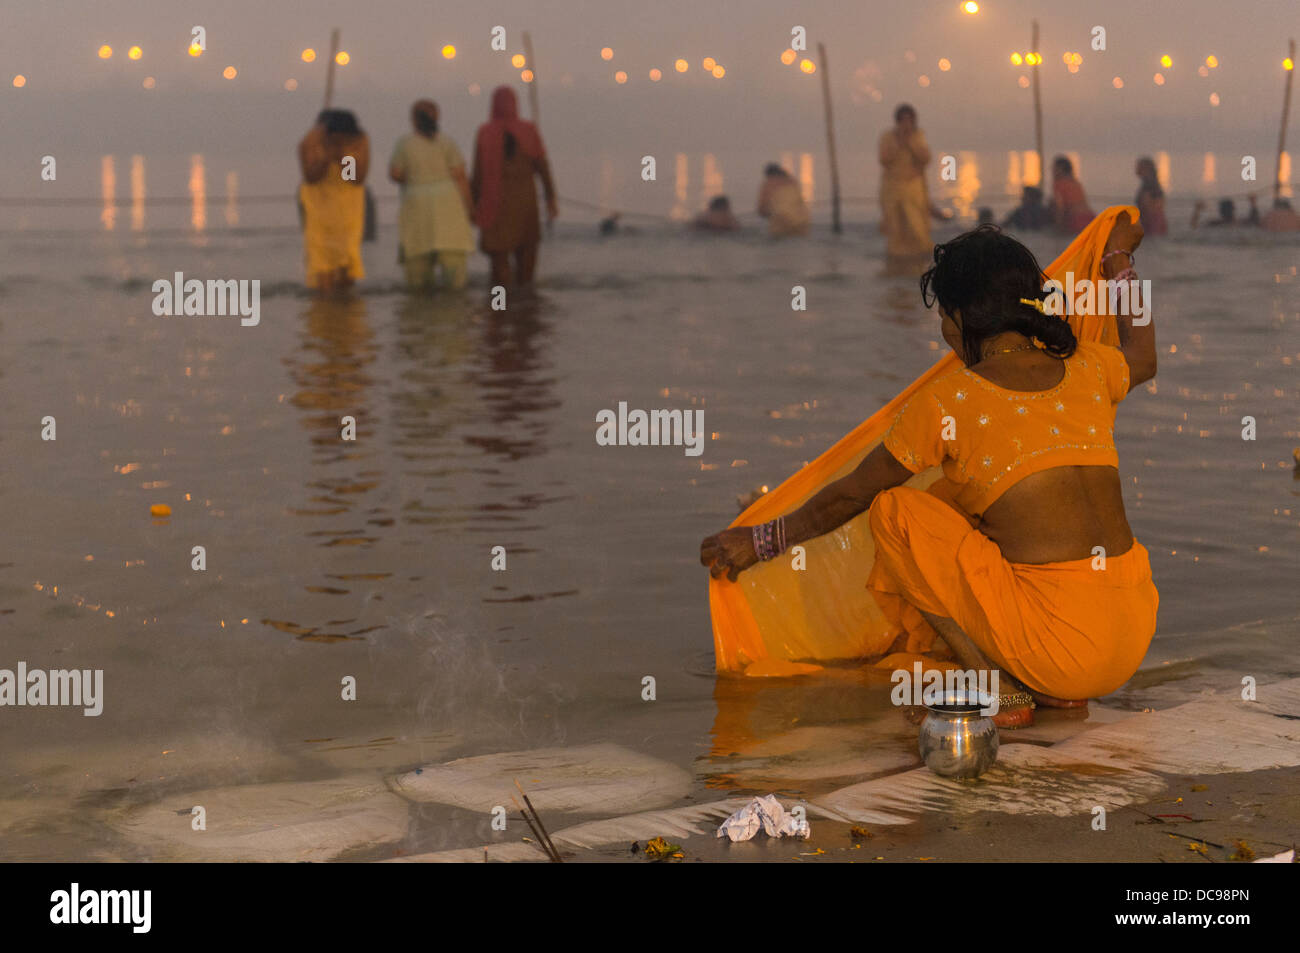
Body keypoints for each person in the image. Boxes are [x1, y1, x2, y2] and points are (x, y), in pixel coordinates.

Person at [701, 217, 1157, 728]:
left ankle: (1000, 688)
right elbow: (1143, 353)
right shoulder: (1090, 367)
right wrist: (1119, 261)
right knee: (953, 494)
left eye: (944, 315)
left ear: (962, 317)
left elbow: (850, 497)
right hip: (1132, 635)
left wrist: (761, 540)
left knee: (897, 510)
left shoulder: (947, 401)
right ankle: (1048, 685)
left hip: (1059, 649)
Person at [470, 86, 557, 289]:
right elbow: (543, 168)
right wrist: (551, 199)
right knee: (526, 273)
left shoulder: (485, 133)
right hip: (525, 207)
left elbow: (478, 175)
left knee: (499, 272)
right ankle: (525, 313)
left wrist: (472, 206)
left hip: (495, 209)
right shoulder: (529, 131)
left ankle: (498, 312)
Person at [389, 100, 475, 291]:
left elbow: (395, 174)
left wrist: (413, 178)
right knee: (455, 280)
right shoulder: (447, 143)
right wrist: (470, 208)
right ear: (438, 117)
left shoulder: (405, 144)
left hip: (417, 209)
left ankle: (422, 318)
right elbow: (461, 178)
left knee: (417, 281)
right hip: (448, 210)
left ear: (413, 120)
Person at [299, 109, 370, 291]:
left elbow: (355, 178)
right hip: (319, 213)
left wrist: (342, 156)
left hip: (348, 212)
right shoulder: (311, 142)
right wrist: (325, 158)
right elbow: (311, 177)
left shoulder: (359, 142)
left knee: (347, 266)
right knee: (322, 267)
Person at [878, 104, 932, 257]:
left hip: (913, 189)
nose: (906, 123)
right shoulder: (887, 137)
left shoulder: (918, 136)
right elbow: (884, 160)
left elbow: (926, 159)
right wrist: (899, 142)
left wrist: (910, 143)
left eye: (909, 120)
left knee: (917, 227)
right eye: (903, 120)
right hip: (891, 190)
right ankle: (897, 262)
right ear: (897, 121)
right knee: (895, 229)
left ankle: (919, 261)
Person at [757, 164, 810, 237]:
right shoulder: (793, 182)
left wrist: (768, 213)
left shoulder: (769, 184)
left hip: (782, 222)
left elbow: (761, 210)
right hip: (802, 222)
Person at [1050, 156, 1094, 235]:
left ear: (1061, 169)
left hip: (1077, 220)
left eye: (1054, 168)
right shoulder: (1075, 182)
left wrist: (1058, 226)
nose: (1052, 170)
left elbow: (1060, 208)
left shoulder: (1059, 183)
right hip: (1091, 218)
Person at [1134, 157, 1167, 236]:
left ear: (1146, 169)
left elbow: (1149, 205)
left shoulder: (1149, 185)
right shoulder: (1153, 183)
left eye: (1139, 167)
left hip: (1151, 221)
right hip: (1154, 220)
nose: (1136, 170)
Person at [1190, 195, 1259, 228]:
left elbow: (1194, 227)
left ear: (1221, 211)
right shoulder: (1241, 222)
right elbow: (1255, 220)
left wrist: (1197, 210)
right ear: (1234, 209)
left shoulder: (1215, 224)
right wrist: (1253, 204)